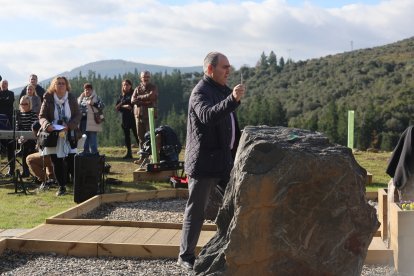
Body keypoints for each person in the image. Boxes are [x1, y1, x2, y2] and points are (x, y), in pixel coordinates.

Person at [177, 52, 245, 270]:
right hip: (204, 163)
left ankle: (233, 248)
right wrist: (232, 100)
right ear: (210, 70)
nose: (229, 70)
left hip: (225, 161)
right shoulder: (200, 92)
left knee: (238, 204)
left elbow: (229, 125)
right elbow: (208, 116)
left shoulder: (221, 90)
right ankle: (185, 256)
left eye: (229, 67)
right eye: (224, 67)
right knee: (196, 210)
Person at [39, 76, 81, 196]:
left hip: (69, 132)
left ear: (66, 85)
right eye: (58, 83)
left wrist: (70, 125)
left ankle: (77, 185)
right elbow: (42, 116)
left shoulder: (71, 98)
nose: (61, 85)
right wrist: (47, 125)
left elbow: (78, 115)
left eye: (63, 83)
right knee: (56, 161)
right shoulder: (48, 98)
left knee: (71, 159)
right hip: (53, 134)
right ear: (54, 85)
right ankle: (61, 186)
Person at [131, 71, 158, 161]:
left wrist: (139, 97)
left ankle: (152, 157)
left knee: (150, 137)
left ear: (149, 77)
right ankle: (142, 157)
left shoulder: (153, 87)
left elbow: (152, 96)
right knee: (140, 137)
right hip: (138, 116)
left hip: (149, 116)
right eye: (144, 77)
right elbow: (132, 100)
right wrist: (144, 101)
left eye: (147, 76)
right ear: (141, 78)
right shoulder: (137, 88)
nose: (145, 78)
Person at [116, 79, 140, 159]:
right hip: (125, 119)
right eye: (124, 85)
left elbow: (133, 103)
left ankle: (143, 153)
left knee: (137, 136)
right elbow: (117, 107)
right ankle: (129, 153)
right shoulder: (121, 96)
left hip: (134, 118)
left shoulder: (134, 93)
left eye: (127, 84)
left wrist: (123, 104)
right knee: (127, 137)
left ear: (130, 85)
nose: (125, 86)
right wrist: (124, 105)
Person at [78, 83, 104, 155]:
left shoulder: (96, 97)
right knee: (85, 138)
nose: (87, 91)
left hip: (93, 121)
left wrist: (93, 103)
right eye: (85, 90)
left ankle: (94, 152)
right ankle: (86, 151)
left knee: (93, 138)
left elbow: (102, 106)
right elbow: (77, 107)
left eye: (89, 89)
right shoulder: (81, 98)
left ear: (92, 90)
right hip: (83, 121)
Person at [16, 96, 38, 177]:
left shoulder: (33, 114)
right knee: (11, 145)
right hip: (22, 138)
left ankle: (26, 171)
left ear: (30, 104)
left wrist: (26, 138)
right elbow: (17, 128)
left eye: (26, 104)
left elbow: (33, 129)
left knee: (26, 147)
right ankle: (16, 170)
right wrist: (19, 138)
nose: (24, 105)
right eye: (22, 104)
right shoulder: (19, 114)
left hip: (32, 138)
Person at [0, 79, 15, 176]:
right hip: (0, 123)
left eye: (6, 84)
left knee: (11, 146)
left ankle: (11, 170)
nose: (4, 85)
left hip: (9, 123)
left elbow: (9, 103)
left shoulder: (11, 93)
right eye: (3, 84)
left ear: (8, 85)